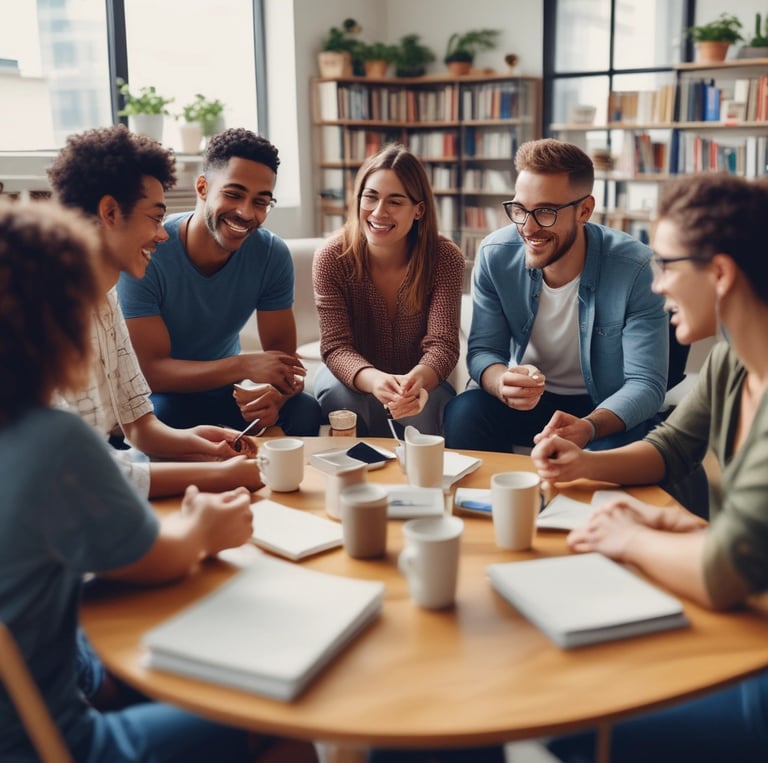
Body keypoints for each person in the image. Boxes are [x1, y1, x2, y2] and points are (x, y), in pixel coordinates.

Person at [0, 198, 317, 763]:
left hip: (69, 673)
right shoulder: (52, 441)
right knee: (279, 723)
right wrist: (203, 527)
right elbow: (159, 558)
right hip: (57, 741)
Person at [531, 173, 768, 763]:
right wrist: (586, 461)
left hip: (759, 681)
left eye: (666, 265)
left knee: (569, 718)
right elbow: (670, 447)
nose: (657, 285)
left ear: (719, 272)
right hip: (751, 620)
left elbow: (722, 572)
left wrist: (629, 536)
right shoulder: (735, 361)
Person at [46, 124, 263, 500]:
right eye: (154, 217)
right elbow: (80, 477)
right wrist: (220, 477)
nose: (162, 235)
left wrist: (203, 444)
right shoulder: (43, 312)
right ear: (110, 212)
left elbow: (140, 426)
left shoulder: (106, 299)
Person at [444, 138, 669, 453]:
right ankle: (490, 501)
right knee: (464, 412)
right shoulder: (496, 256)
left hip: (602, 406)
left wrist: (589, 427)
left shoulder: (635, 268)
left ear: (585, 210)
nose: (529, 227)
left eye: (546, 211)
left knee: (620, 449)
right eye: (520, 209)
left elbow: (646, 384)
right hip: (529, 404)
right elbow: (484, 350)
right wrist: (501, 383)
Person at [117, 127, 321, 436]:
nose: (245, 212)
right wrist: (242, 366)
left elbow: (283, 363)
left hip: (225, 389)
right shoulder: (149, 252)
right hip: (166, 394)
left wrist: (276, 397)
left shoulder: (271, 254)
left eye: (261, 202)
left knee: (305, 411)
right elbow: (152, 371)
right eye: (233, 194)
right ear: (202, 188)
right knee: (162, 415)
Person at [312, 143, 465, 436]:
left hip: (418, 381)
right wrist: (373, 380)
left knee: (425, 410)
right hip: (354, 380)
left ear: (419, 210)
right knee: (340, 399)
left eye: (395, 202)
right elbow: (335, 346)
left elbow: (443, 344)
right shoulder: (332, 257)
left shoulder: (445, 258)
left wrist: (415, 382)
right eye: (370, 197)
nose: (379, 212)